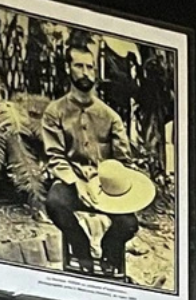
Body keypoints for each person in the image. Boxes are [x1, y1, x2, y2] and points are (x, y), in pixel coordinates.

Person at [36, 39, 142, 278]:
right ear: (68, 69)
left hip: (105, 188)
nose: (85, 72)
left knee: (129, 223)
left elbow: (123, 161)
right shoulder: (55, 112)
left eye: (90, 67)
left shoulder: (110, 116)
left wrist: (111, 183)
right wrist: (76, 182)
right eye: (79, 66)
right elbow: (55, 156)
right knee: (55, 203)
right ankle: (81, 247)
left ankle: (108, 251)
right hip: (71, 183)